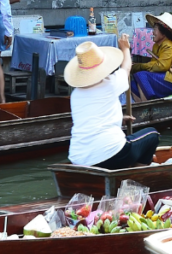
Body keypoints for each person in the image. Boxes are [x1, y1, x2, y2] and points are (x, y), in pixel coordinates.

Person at [67, 36, 162, 168]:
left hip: (78, 159)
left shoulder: (75, 94)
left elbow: (92, 117)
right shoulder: (110, 84)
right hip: (112, 154)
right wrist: (125, 49)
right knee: (153, 135)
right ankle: (137, 171)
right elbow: (127, 68)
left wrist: (120, 118)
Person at [131, 12, 172, 100]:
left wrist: (139, 66)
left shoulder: (168, 45)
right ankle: (141, 109)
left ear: (163, 33)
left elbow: (162, 66)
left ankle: (148, 105)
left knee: (141, 75)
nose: (153, 32)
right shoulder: (156, 45)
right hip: (165, 78)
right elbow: (153, 65)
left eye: (155, 29)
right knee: (133, 83)